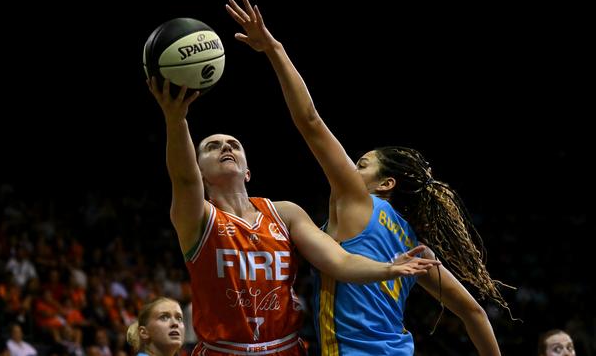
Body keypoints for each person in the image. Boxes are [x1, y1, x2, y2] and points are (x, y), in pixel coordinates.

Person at [226, 0, 513, 356]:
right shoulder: (413, 246)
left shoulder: (358, 202)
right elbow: (473, 313)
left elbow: (311, 122)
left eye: (361, 165)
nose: (350, 168)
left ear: (385, 184)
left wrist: (274, 48)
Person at [146, 44, 440, 356]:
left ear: (247, 171)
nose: (225, 148)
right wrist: (176, 119)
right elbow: (183, 179)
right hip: (223, 350)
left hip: (286, 349)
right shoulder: (198, 218)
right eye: (212, 147)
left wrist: (389, 269)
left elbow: (338, 261)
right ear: (201, 170)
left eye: (233, 144)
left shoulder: (284, 213)